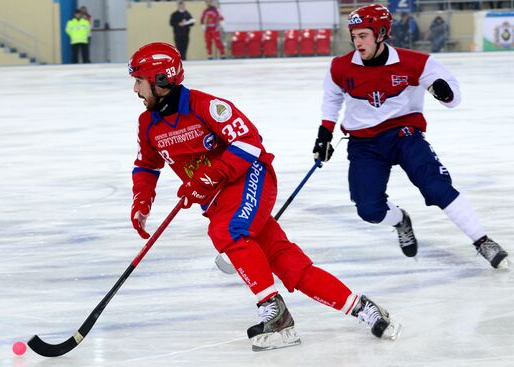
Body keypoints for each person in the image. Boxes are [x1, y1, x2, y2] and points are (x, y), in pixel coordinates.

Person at [128, 42, 401, 351]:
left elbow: (248, 142)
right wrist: (142, 200)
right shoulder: (147, 123)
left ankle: (274, 312)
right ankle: (364, 308)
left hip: (249, 178)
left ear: (161, 80)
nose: (136, 89)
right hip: (218, 201)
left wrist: (208, 175)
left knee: (227, 231)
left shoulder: (207, 106)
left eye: (140, 81)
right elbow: (146, 165)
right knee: (287, 264)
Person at [312, 4, 508, 269]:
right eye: (354, 36)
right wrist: (325, 133)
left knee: (437, 187)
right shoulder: (340, 67)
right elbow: (332, 100)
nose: (357, 42)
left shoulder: (415, 62)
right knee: (369, 210)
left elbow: (454, 99)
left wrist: (443, 91)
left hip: (404, 135)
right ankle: (400, 220)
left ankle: (482, 241)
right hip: (364, 144)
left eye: (363, 35)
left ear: (381, 33)